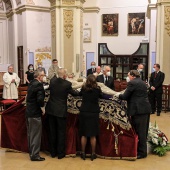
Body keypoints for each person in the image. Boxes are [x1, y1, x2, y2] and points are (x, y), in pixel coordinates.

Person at [115, 70, 151, 159]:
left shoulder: (132, 83)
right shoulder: (142, 82)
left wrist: (117, 95)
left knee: (140, 131)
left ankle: (142, 153)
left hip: (138, 110)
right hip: (145, 108)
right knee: (144, 131)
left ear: (132, 75)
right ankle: (142, 150)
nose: (128, 77)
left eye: (128, 75)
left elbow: (125, 96)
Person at [45, 68, 79, 159]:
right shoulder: (67, 84)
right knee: (61, 132)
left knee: (52, 131)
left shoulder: (52, 81)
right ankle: (60, 153)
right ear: (64, 75)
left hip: (51, 110)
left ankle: (53, 152)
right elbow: (75, 94)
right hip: (60, 110)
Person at [79, 74, 102, 161]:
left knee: (84, 134)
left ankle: (83, 153)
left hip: (84, 112)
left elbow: (79, 94)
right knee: (93, 135)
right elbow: (102, 96)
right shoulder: (97, 89)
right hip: (94, 113)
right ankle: (93, 154)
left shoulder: (83, 88)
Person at [25, 70, 45, 161]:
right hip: (35, 113)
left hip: (29, 111)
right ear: (39, 76)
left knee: (31, 134)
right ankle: (35, 155)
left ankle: (31, 152)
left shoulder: (31, 83)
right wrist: (42, 108)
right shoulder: (39, 85)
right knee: (36, 134)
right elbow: (40, 99)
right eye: (43, 75)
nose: (44, 77)